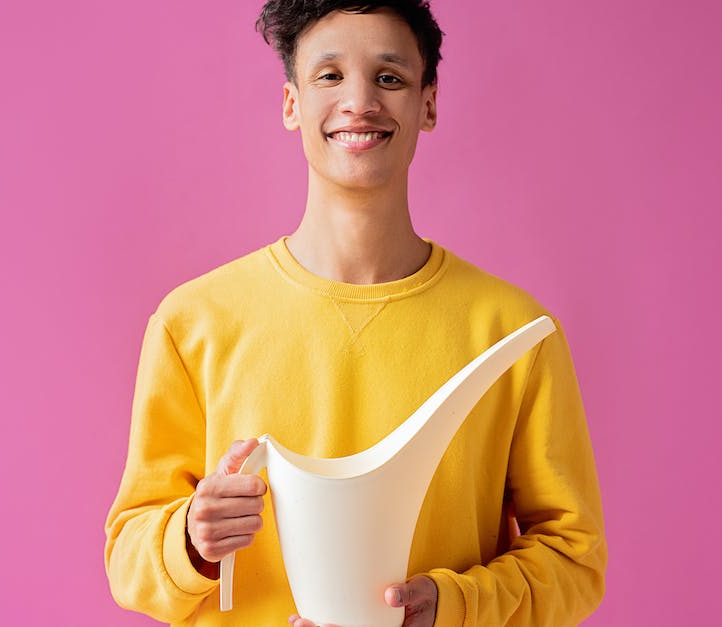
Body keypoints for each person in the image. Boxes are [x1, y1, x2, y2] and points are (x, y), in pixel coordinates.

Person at [103, 1, 608, 625]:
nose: (360, 101)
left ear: (428, 103)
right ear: (291, 103)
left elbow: (573, 559)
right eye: (330, 76)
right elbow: (128, 554)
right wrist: (191, 539)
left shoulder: (514, 333)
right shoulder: (193, 322)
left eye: (390, 78)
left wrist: (453, 606)